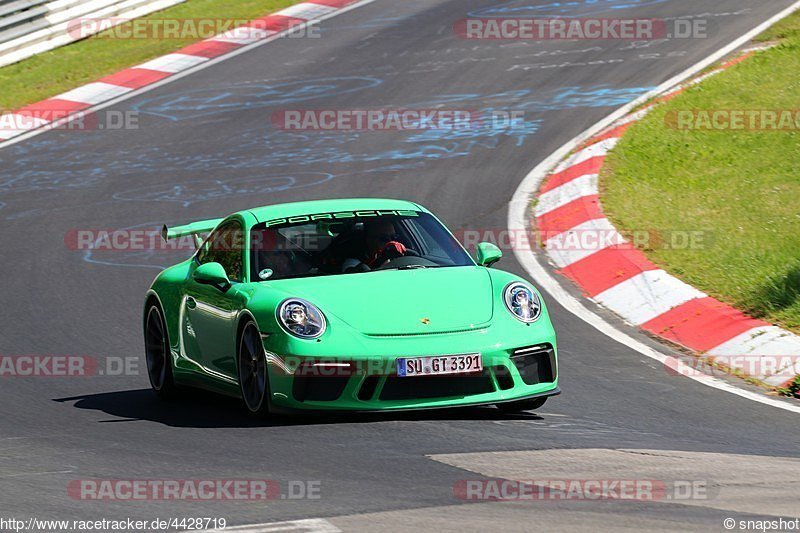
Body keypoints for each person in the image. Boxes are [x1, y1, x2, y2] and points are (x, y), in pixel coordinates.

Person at [341, 219, 408, 273]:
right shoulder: (353, 261)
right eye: (384, 238)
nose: (391, 241)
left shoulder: (402, 256)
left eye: (394, 237)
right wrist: (382, 258)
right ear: (369, 239)